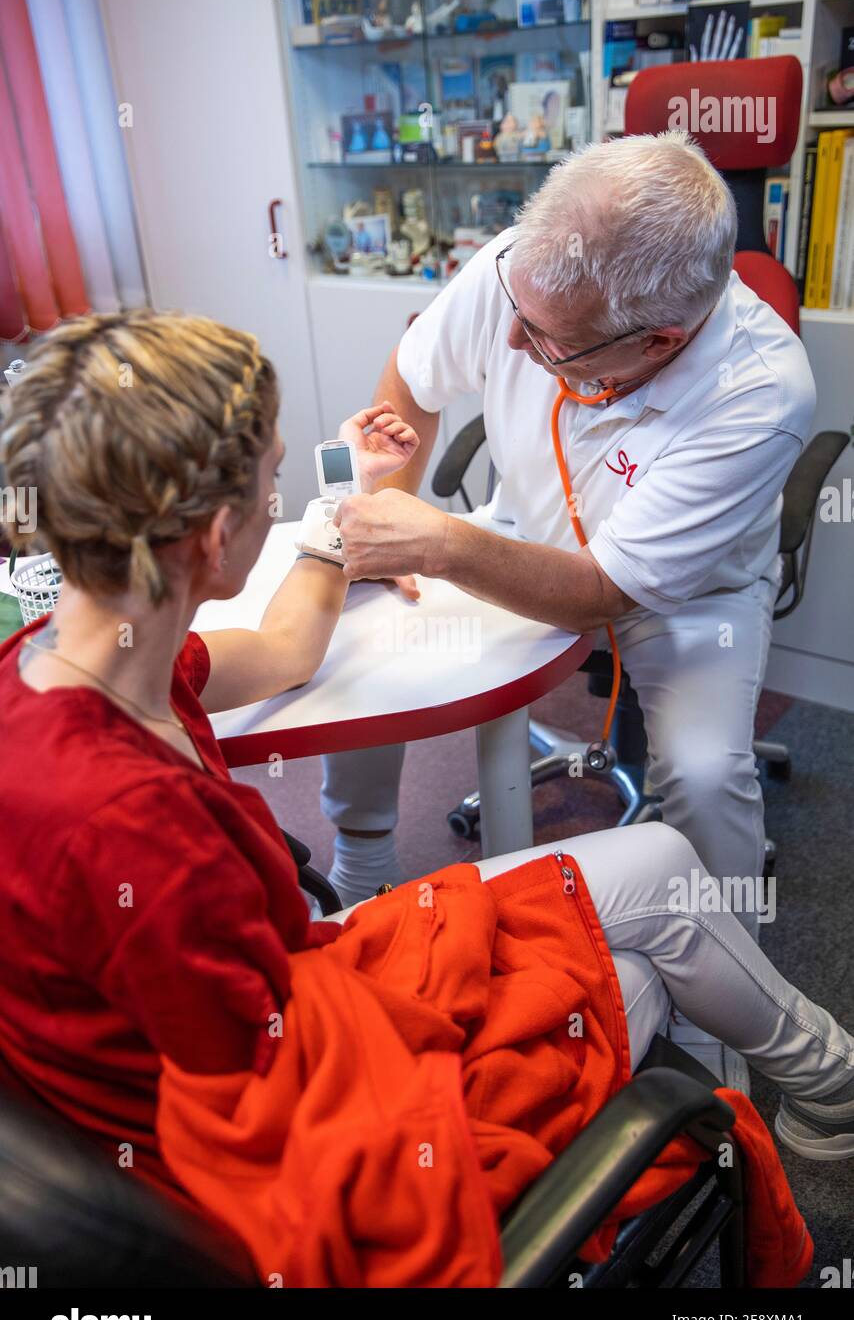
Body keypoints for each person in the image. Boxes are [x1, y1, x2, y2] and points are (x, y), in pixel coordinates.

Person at [0, 310, 851, 1197]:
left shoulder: (84, 660)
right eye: (275, 482)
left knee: (664, 872)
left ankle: (835, 1084)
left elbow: (287, 647)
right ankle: (827, 1090)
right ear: (218, 541)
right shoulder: (137, 830)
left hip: (289, 1012)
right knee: (633, 980)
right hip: (312, 1128)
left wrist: (346, 501)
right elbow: (266, 1106)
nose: (283, 504)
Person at [322, 131, 816, 930]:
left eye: (549, 339)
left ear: (661, 341)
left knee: (702, 774)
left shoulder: (759, 391)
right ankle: (361, 863)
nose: (513, 344)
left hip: (687, 594)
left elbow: (600, 592)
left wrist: (439, 542)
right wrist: (388, 522)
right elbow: (412, 381)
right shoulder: (527, 268)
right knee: (365, 623)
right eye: (516, 311)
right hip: (519, 528)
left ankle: (720, 1014)